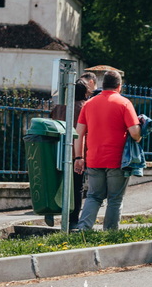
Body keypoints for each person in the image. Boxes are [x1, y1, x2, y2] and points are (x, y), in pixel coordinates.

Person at [73, 70, 141, 230]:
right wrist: (139, 132)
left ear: (103, 85)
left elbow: (79, 133)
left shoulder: (89, 104)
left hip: (94, 159)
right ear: (119, 86)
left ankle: (83, 229)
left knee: (93, 196)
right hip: (117, 160)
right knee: (115, 199)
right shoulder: (124, 103)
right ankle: (110, 233)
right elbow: (134, 133)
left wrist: (78, 157)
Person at [50, 78, 89, 229]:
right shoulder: (85, 107)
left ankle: (52, 211)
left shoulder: (58, 108)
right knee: (77, 187)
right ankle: (73, 220)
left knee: (57, 184)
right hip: (77, 154)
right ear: (85, 92)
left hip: (58, 152)